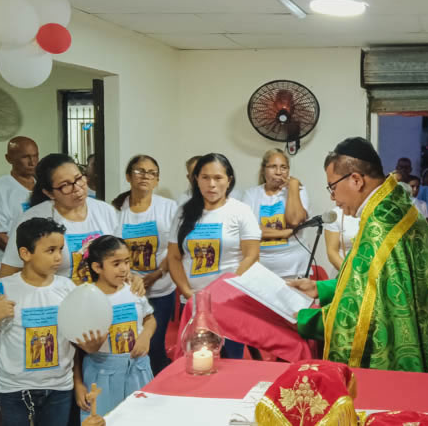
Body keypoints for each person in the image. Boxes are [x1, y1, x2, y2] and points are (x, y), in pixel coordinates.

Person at [291, 137, 428, 374]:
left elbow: (361, 316)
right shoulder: (395, 206)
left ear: (356, 180)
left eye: (332, 187)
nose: (333, 197)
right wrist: (320, 288)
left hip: (394, 355)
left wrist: (303, 320)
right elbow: (375, 282)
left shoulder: (380, 225)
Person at [0, 217, 98, 426]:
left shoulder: (67, 288)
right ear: (25, 253)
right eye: (50, 250)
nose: (58, 257)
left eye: (60, 249)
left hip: (59, 387)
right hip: (15, 389)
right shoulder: (3, 288)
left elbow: (75, 339)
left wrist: (87, 347)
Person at [167, 153, 261, 359]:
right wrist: (188, 294)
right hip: (192, 302)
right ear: (196, 179)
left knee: (231, 362)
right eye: (205, 177)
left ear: (229, 180)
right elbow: (173, 257)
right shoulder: (183, 212)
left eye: (218, 178)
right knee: (195, 362)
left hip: (230, 303)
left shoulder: (241, 211)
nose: (211, 184)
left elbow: (252, 255)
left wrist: (224, 290)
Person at [0, 154, 119, 284]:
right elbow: (8, 273)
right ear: (49, 193)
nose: (77, 188)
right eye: (65, 185)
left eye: (78, 178)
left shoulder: (105, 211)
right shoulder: (33, 219)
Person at [74, 235, 155, 420]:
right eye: (116, 264)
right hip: (102, 374)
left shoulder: (133, 290)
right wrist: (78, 383)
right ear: (97, 267)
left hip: (138, 370)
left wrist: (146, 336)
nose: (124, 268)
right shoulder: (86, 298)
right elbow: (74, 348)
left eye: (127, 261)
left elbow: (149, 319)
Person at [111, 155, 177, 375]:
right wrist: (130, 277)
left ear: (157, 180)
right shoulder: (116, 211)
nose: (145, 176)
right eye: (140, 171)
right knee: (130, 343)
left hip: (161, 289)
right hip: (126, 289)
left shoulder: (168, 207)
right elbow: (110, 251)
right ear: (128, 176)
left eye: (151, 173)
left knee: (155, 343)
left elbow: (176, 249)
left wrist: (155, 275)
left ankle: (158, 381)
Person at [242, 149, 311, 279]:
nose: (279, 172)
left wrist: (293, 186)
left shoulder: (299, 191)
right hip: (259, 268)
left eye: (283, 167)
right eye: (273, 167)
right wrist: (283, 233)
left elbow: (294, 221)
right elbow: (248, 230)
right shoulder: (251, 194)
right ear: (263, 170)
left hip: (295, 267)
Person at [0, 136, 39, 271]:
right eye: (25, 157)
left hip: (39, 266)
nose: (32, 162)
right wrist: (29, 258)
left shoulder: (43, 187)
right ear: (9, 159)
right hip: (10, 267)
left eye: (35, 156)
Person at [323, 205, 359, 278]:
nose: (333, 199)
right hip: (344, 273)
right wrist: (352, 275)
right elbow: (332, 252)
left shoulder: (377, 210)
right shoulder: (335, 214)